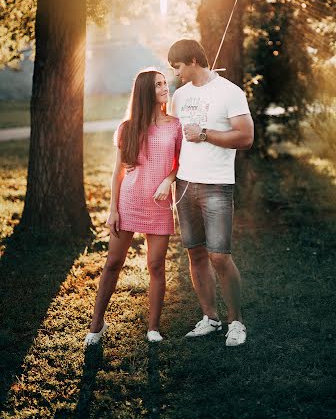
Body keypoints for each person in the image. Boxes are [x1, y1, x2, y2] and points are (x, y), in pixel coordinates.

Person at [84, 68, 182, 346]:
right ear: (144, 92)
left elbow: (181, 162)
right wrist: (113, 209)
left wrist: (169, 179)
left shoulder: (175, 125)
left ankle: (153, 328)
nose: (165, 87)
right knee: (113, 263)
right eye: (158, 85)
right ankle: (96, 324)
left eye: (165, 83)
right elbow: (117, 172)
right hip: (128, 202)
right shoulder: (127, 127)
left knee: (155, 266)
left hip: (160, 203)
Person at [168, 39, 254, 347]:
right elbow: (171, 141)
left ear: (192, 60)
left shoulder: (230, 92)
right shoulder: (179, 96)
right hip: (184, 184)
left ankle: (236, 322)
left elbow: (245, 137)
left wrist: (204, 134)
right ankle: (210, 318)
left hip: (216, 183)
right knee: (195, 254)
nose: (175, 74)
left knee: (219, 256)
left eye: (177, 66)